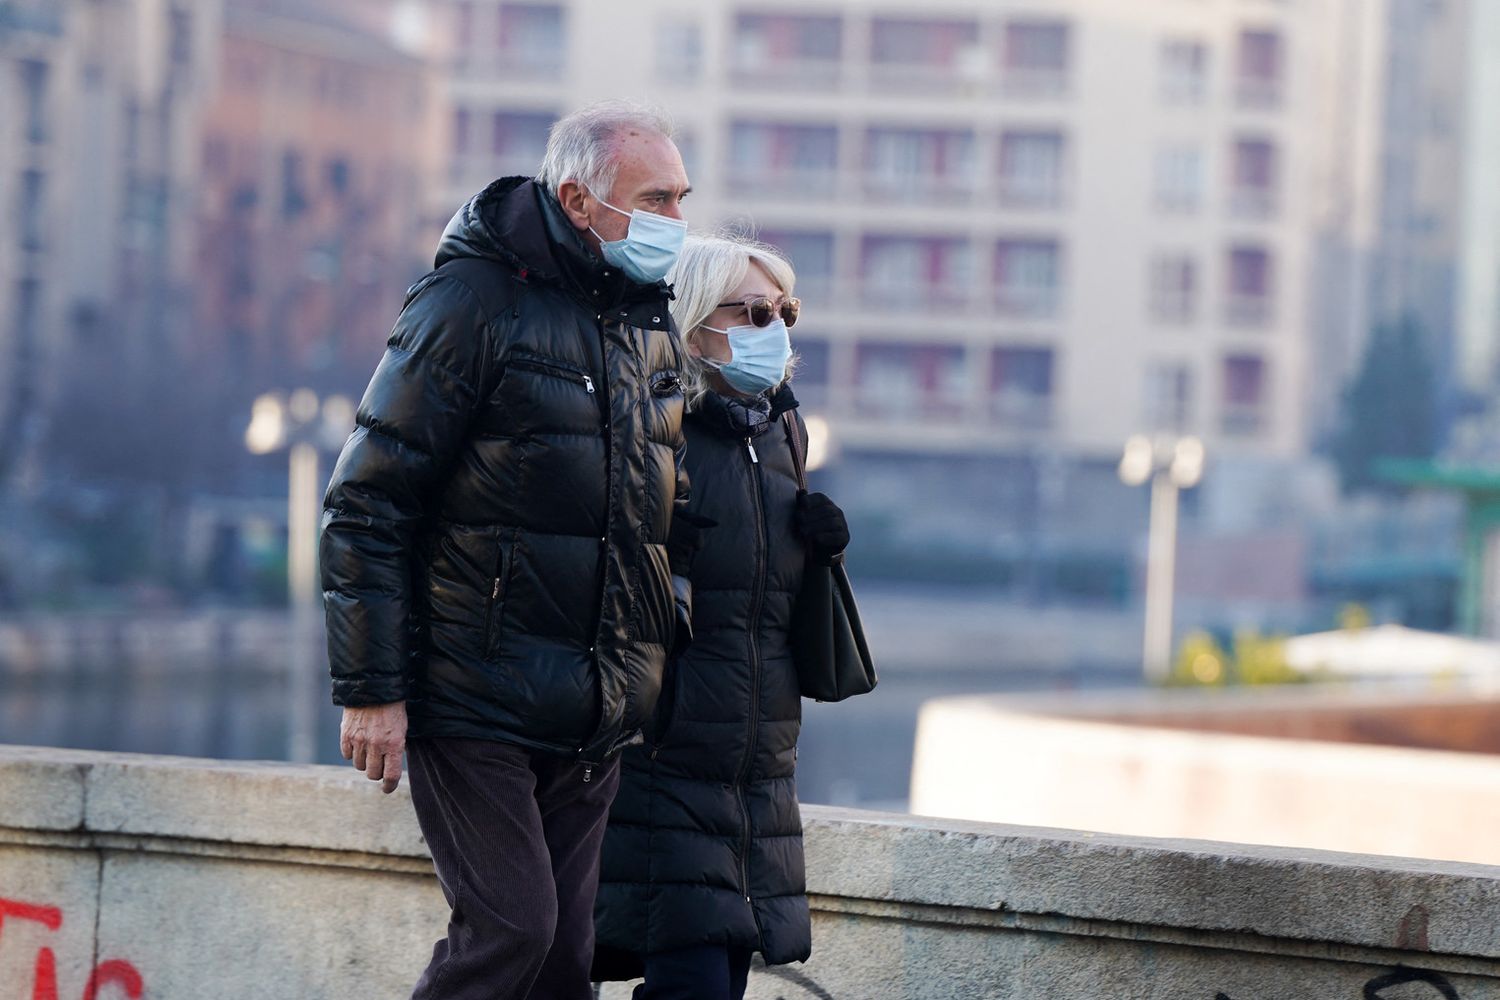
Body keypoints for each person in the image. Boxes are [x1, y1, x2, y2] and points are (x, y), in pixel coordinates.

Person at [319, 101, 697, 1000]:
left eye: (683, 198)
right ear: (577, 200)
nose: (677, 220)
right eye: (656, 198)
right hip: (474, 693)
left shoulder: (646, 322)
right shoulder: (470, 301)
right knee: (511, 931)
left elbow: (661, 519)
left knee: (565, 963)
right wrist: (372, 690)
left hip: (595, 706)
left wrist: (650, 664)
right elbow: (367, 501)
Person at [592, 234, 851, 1000]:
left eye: (784, 312)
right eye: (754, 312)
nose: (775, 330)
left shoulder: (780, 433)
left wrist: (824, 553)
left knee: (719, 980)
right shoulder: (648, 427)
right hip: (661, 764)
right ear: (695, 319)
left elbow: (767, 604)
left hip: (756, 772)